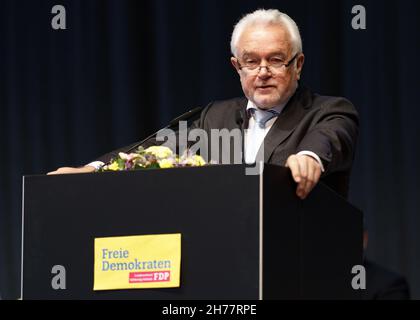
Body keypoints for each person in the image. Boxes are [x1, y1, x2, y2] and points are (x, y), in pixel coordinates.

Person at [49, 9, 359, 199]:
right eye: (251, 62)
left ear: (298, 64)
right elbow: (155, 148)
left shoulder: (328, 112)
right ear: (237, 67)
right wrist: (94, 169)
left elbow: (330, 139)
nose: (262, 72)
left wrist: (309, 158)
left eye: (275, 60)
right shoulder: (215, 117)